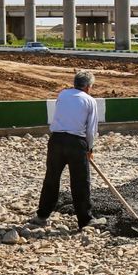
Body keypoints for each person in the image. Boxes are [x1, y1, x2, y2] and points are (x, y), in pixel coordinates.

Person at [35, 70, 101, 229]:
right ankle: (85, 220)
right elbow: (91, 129)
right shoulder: (90, 101)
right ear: (88, 87)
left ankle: (42, 215)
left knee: (51, 178)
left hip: (56, 140)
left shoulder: (62, 94)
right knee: (80, 182)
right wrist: (90, 149)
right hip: (76, 143)